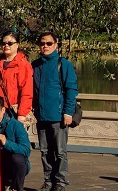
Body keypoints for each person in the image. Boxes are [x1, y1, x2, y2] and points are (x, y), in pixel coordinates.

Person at [33, 32, 78, 191]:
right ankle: (48, 181)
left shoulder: (63, 64)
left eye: (49, 43)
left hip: (58, 116)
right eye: (42, 43)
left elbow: (71, 89)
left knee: (60, 152)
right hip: (41, 116)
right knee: (45, 151)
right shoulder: (35, 65)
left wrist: (68, 112)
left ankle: (60, 182)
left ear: (56, 44)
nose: (45, 46)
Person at [0, 95, 31, 191]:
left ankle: (16, 188)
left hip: (12, 164)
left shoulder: (16, 125)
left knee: (18, 159)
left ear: (3, 110)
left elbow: (26, 150)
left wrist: (6, 143)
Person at [0, 31, 33, 124]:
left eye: (10, 43)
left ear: (17, 45)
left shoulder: (23, 65)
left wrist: (22, 114)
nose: (6, 46)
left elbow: (26, 92)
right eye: (4, 43)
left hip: (13, 112)